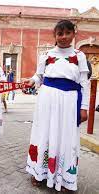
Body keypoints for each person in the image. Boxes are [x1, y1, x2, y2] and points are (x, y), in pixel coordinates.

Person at [24, 20, 89, 192]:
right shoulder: (46, 55)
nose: (64, 37)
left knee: (66, 138)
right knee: (43, 134)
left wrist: (84, 107)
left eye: (68, 33)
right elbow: (39, 76)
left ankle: (66, 179)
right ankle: (39, 173)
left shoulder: (79, 56)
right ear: (55, 35)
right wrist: (32, 81)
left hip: (69, 102)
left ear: (74, 34)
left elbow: (84, 83)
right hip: (47, 100)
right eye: (60, 34)